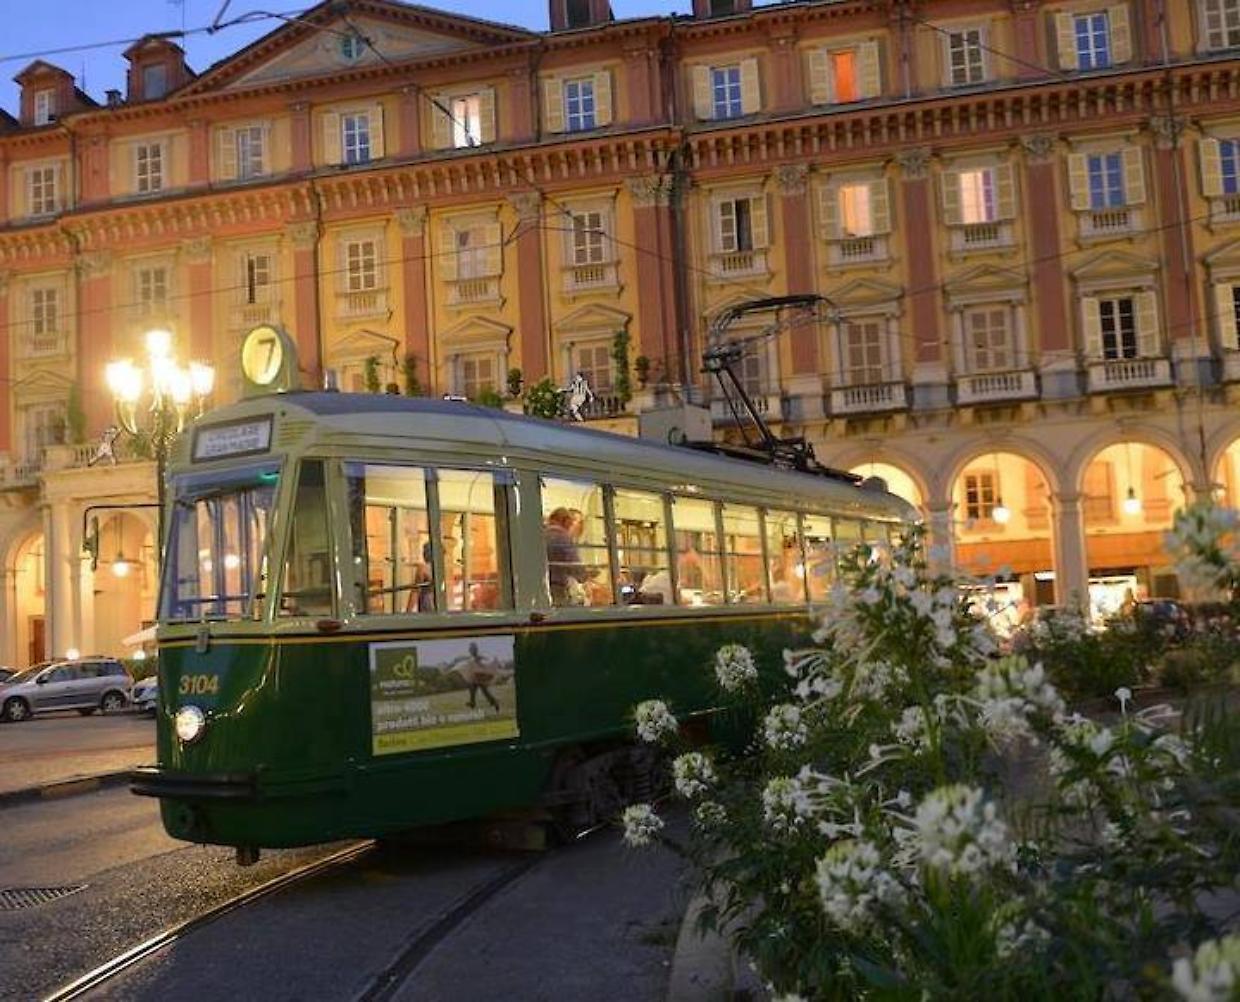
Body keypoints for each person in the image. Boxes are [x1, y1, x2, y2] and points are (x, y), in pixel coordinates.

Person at [545, 507, 589, 605]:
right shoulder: (563, 537)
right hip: (558, 588)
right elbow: (576, 567)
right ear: (566, 522)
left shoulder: (541, 535)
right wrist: (585, 576)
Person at [451, 641, 502, 712]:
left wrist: (480, 663)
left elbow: (485, 662)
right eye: (470, 650)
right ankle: (474, 703)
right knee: (474, 688)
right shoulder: (473, 657)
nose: (470, 651)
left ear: (474, 650)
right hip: (476, 677)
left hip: (481, 677)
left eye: (471, 649)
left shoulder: (478, 656)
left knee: (482, 690)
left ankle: (493, 703)